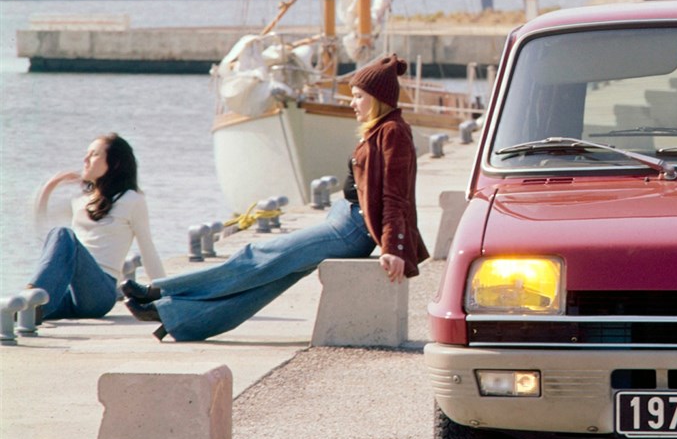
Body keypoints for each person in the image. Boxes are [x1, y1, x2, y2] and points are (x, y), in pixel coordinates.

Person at [122, 53, 429, 341]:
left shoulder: (393, 133)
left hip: (353, 229)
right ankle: (177, 317)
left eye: (359, 96)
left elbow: (395, 196)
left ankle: (159, 292)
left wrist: (393, 247)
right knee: (272, 279)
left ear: (378, 99)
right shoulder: (379, 130)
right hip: (344, 218)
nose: (352, 102)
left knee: (258, 255)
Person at [26, 133, 166, 321]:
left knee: (63, 234)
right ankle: (31, 306)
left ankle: (33, 299)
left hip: (100, 293)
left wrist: (165, 291)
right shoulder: (82, 201)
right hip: (70, 291)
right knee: (18, 313)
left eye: (94, 154)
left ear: (115, 163)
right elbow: (41, 217)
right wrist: (52, 185)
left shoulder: (131, 200)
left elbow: (148, 249)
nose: (85, 159)